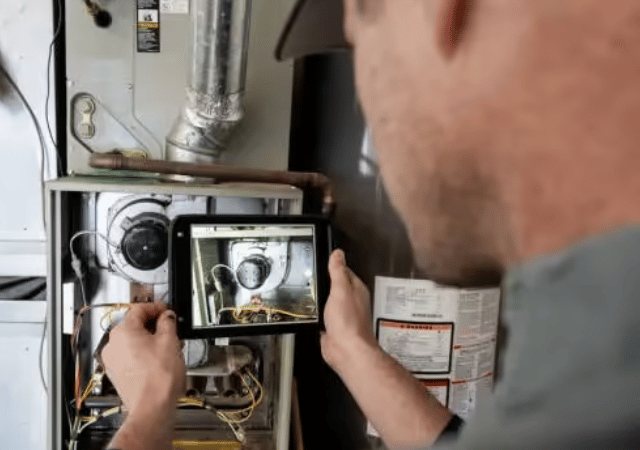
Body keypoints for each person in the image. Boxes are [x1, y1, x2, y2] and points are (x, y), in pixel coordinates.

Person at [99, 0, 640, 448]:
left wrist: (147, 407)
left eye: (360, 48)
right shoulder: (595, 374)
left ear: (435, 13)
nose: (375, 124)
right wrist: (353, 352)